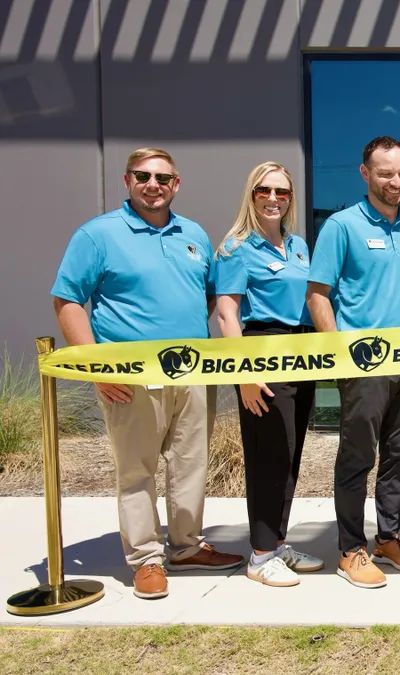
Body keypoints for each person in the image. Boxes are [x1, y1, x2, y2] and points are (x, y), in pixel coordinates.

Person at [50, 147, 244, 600]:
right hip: (131, 377)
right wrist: (97, 367)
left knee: (191, 464)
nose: (152, 184)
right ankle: (146, 559)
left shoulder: (192, 233)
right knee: (136, 469)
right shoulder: (98, 235)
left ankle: (186, 546)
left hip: (192, 372)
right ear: (127, 181)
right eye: (142, 176)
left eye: (162, 177)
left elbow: (209, 296)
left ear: (176, 184)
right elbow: (67, 301)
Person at [306, 136, 400, 589]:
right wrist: (340, 354)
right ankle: (350, 549)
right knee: (358, 457)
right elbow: (318, 296)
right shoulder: (341, 226)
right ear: (365, 174)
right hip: (363, 368)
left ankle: (388, 537)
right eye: (385, 173)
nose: (395, 181)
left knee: (399, 457)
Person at [213, 162, 323, 587]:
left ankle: (277, 544)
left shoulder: (298, 247)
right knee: (267, 454)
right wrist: (242, 372)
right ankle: (259, 556)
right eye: (265, 190)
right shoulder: (236, 247)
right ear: (252, 194)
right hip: (262, 353)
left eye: (282, 191)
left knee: (290, 453)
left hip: (302, 353)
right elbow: (227, 313)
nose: (274, 198)